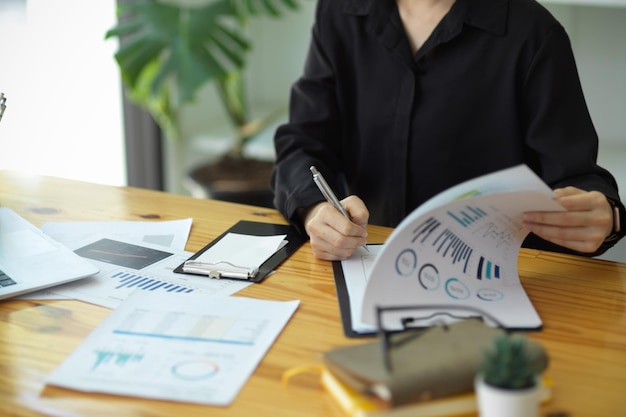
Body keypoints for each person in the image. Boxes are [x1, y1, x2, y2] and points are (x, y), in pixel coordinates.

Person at [271, 0, 625, 260]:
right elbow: (303, 142)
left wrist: (606, 216)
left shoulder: (534, 33)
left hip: (498, 279)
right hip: (367, 263)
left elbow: (577, 178)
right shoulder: (340, 12)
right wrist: (315, 210)